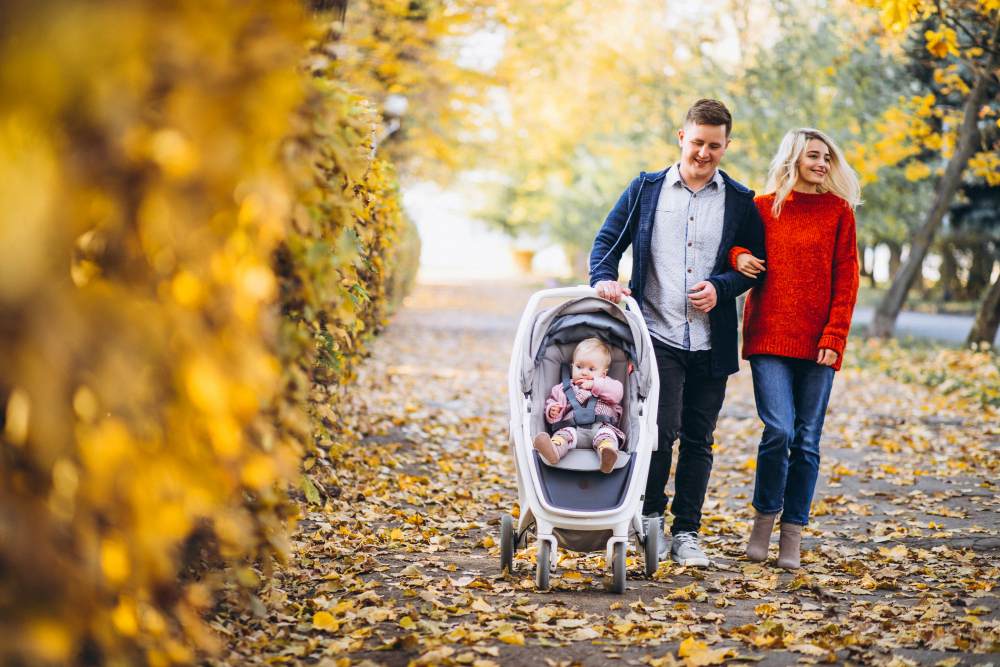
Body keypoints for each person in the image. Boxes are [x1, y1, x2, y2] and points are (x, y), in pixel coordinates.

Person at [589, 99, 766, 566]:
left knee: (699, 438)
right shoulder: (647, 189)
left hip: (712, 341)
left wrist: (723, 288)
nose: (704, 153)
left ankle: (687, 532)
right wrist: (603, 279)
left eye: (714, 145)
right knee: (658, 432)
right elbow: (607, 242)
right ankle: (651, 524)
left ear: (726, 145)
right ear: (681, 138)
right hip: (655, 335)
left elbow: (752, 268)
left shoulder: (741, 202)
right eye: (697, 142)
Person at [729, 128, 860, 569]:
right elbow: (735, 247)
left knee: (806, 440)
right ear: (793, 160)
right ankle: (763, 522)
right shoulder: (763, 208)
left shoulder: (839, 212)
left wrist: (834, 337)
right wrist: (738, 259)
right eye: (814, 156)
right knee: (779, 430)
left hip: (819, 342)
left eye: (828, 157)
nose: (823, 164)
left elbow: (847, 280)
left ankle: (792, 536)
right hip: (769, 336)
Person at [533, 338, 625, 474]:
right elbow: (551, 404)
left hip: (602, 426)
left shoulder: (608, 384)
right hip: (572, 428)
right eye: (579, 367)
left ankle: (607, 455)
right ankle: (553, 450)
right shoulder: (562, 388)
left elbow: (618, 393)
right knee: (561, 436)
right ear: (572, 366)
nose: (584, 373)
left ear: (604, 373)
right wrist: (553, 411)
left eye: (592, 369)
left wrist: (595, 384)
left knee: (607, 437)